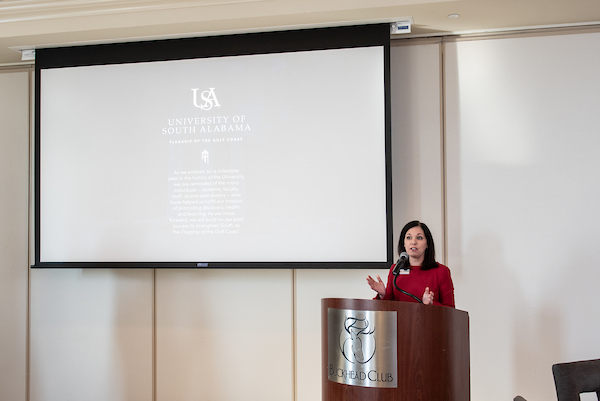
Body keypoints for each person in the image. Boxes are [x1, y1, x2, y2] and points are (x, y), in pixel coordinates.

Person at [366, 220, 455, 308]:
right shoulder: (396, 269)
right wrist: (383, 294)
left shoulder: (441, 271)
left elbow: (450, 310)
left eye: (419, 238)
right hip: (400, 322)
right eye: (409, 237)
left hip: (428, 321)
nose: (413, 242)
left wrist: (431, 305)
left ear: (427, 244)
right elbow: (389, 306)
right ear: (404, 243)